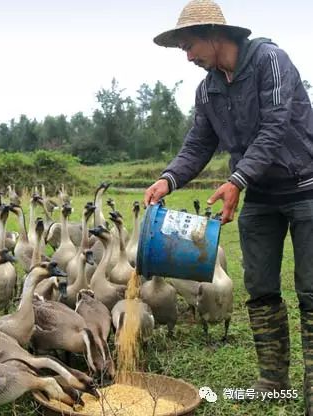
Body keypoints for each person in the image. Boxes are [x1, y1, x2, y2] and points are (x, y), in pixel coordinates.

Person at [144, 0, 313, 413]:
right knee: (259, 287)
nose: (187, 57)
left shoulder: (271, 61)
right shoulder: (209, 89)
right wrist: (169, 178)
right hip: (259, 195)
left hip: (305, 187)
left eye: (190, 46)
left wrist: (237, 179)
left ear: (215, 36)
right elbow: (199, 142)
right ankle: (273, 380)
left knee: (311, 289)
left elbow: (275, 126)